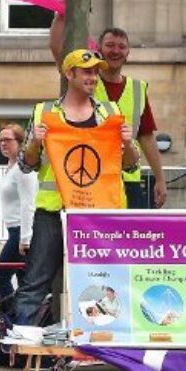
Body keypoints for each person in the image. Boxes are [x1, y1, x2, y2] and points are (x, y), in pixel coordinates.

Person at [14, 49, 138, 326]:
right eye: (87, 72)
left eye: (96, 72)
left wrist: (128, 143)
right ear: (69, 74)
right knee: (36, 281)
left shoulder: (111, 112)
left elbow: (130, 166)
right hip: (53, 211)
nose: (93, 77)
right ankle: (22, 348)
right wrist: (35, 142)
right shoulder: (44, 112)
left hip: (99, 214)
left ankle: (106, 341)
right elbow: (26, 164)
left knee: (105, 278)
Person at [50, 15, 167, 208]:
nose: (116, 51)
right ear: (99, 50)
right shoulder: (85, 82)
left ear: (128, 52)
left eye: (122, 47)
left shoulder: (138, 89)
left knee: (130, 236)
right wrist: (62, 14)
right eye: (110, 45)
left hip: (128, 180)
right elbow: (57, 49)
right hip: (93, 178)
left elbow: (146, 137)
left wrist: (160, 179)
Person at [0, 124, 36, 300]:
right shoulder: (10, 167)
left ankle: (12, 314)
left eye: (8, 140)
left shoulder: (22, 169)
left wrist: (25, 239)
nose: (3, 144)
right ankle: (21, 317)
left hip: (20, 231)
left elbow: (28, 203)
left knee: (1, 277)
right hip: (14, 229)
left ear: (19, 142)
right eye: (0, 140)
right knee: (23, 278)